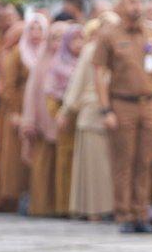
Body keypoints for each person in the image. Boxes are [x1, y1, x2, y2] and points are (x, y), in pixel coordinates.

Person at [94, 0, 152, 234]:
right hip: (122, 103)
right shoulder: (109, 34)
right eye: (131, 2)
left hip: (149, 103)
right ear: (122, 5)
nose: (136, 6)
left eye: (139, 1)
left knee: (145, 161)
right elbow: (99, 72)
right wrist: (106, 110)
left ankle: (141, 214)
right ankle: (124, 213)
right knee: (123, 161)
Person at [0, 13, 44, 213]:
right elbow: (7, 87)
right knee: (11, 159)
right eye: (32, 29)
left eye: (40, 29)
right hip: (16, 111)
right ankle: (4, 199)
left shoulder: (46, 53)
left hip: (39, 111)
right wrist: (17, 113)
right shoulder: (18, 54)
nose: (36, 34)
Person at [60, 21, 115, 220]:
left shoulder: (120, 49)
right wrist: (67, 110)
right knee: (94, 168)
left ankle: (115, 208)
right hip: (92, 113)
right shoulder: (90, 50)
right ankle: (94, 211)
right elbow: (78, 82)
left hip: (117, 113)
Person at [21, 22, 66, 217]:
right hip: (43, 119)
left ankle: (61, 205)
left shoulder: (71, 60)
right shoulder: (41, 61)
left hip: (64, 121)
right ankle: (41, 206)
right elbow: (31, 93)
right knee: (43, 165)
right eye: (55, 38)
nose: (58, 43)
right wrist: (29, 120)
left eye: (62, 38)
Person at [47, 25, 82, 216]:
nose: (79, 44)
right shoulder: (57, 64)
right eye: (75, 40)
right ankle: (64, 205)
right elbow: (50, 94)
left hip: (82, 115)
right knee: (65, 162)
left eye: (81, 40)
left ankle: (80, 203)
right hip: (65, 116)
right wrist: (58, 114)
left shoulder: (87, 62)